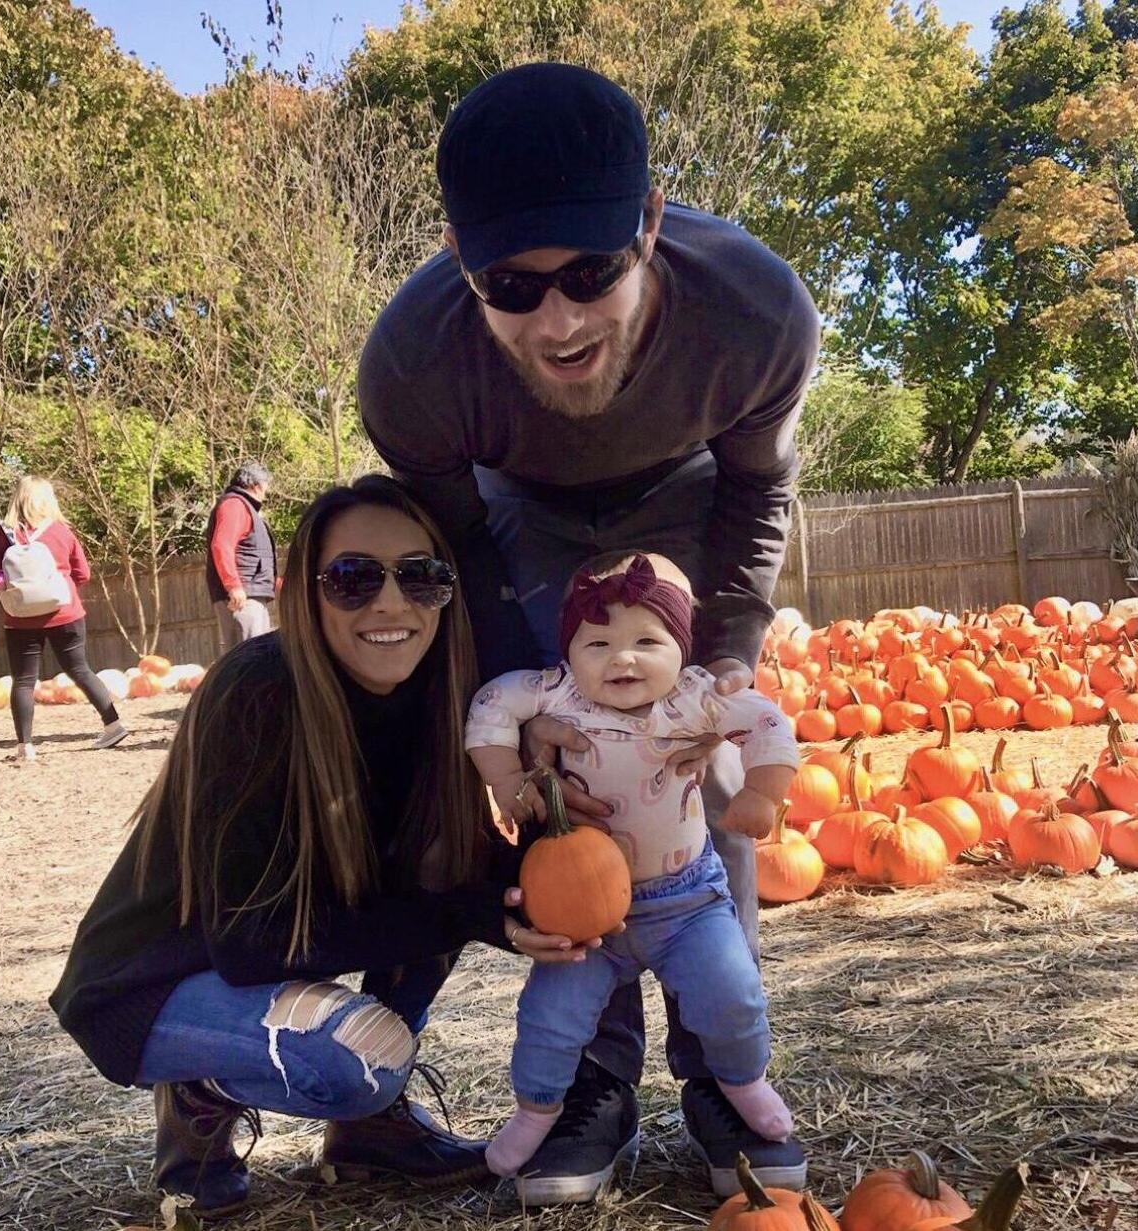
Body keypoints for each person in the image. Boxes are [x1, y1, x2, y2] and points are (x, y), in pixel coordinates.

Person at [358, 62, 820, 1201]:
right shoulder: (412, 366)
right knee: (578, 771)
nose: (557, 321)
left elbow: (757, 491)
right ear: (459, 260)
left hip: (688, 490)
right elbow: (463, 548)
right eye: (511, 286)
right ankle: (592, 1085)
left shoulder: (755, 313)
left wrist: (725, 657)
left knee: (695, 758)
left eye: (590, 272)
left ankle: (724, 1069)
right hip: (516, 510)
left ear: (649, 225)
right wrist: (531, 712)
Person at [49, 475, 600, 1218]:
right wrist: (471, 912)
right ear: (307, 594)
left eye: (421, 576)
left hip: (272, 954)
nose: (391, 602)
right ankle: (199, 1091)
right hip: (157, 979)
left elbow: (450, 876)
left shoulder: (442, 695)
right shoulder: (256, 691)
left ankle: (369, 1137)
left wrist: (545, 867)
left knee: (441, 886)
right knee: (356, 1061)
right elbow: (250, 943)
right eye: (353, 578)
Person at [465, 552, 799, 1182]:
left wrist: (762, 790)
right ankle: (537, 1110)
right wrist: (507, 777)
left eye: (648, 641)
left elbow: (768, 722)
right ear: (569, 651)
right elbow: (489, 705)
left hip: (688, 902)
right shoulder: (554, 691)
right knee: (549, 1018)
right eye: (598, 643)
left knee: (731, 994)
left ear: (682, 648)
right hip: (588, 910)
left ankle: (741, 1082)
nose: (623, 659)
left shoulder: (695, 696)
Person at [0, 475, 127, 761]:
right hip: (65, 613)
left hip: (20, 618)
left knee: (23, 681)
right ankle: (114, 725)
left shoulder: (0, 533)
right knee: (81, 669)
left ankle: (25, 746)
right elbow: (83, 573)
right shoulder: (60, 531)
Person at [205, 462, 279, 654]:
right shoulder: (235, 505)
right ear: (256, 485)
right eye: (266, 486)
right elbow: (222, 545)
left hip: (251, 594)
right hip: (241, 598)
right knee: (248, 657)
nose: (266, 492)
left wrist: (279, 583)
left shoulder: (246, 508)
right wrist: (233, 586)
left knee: (259, 655)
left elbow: (256, 557)